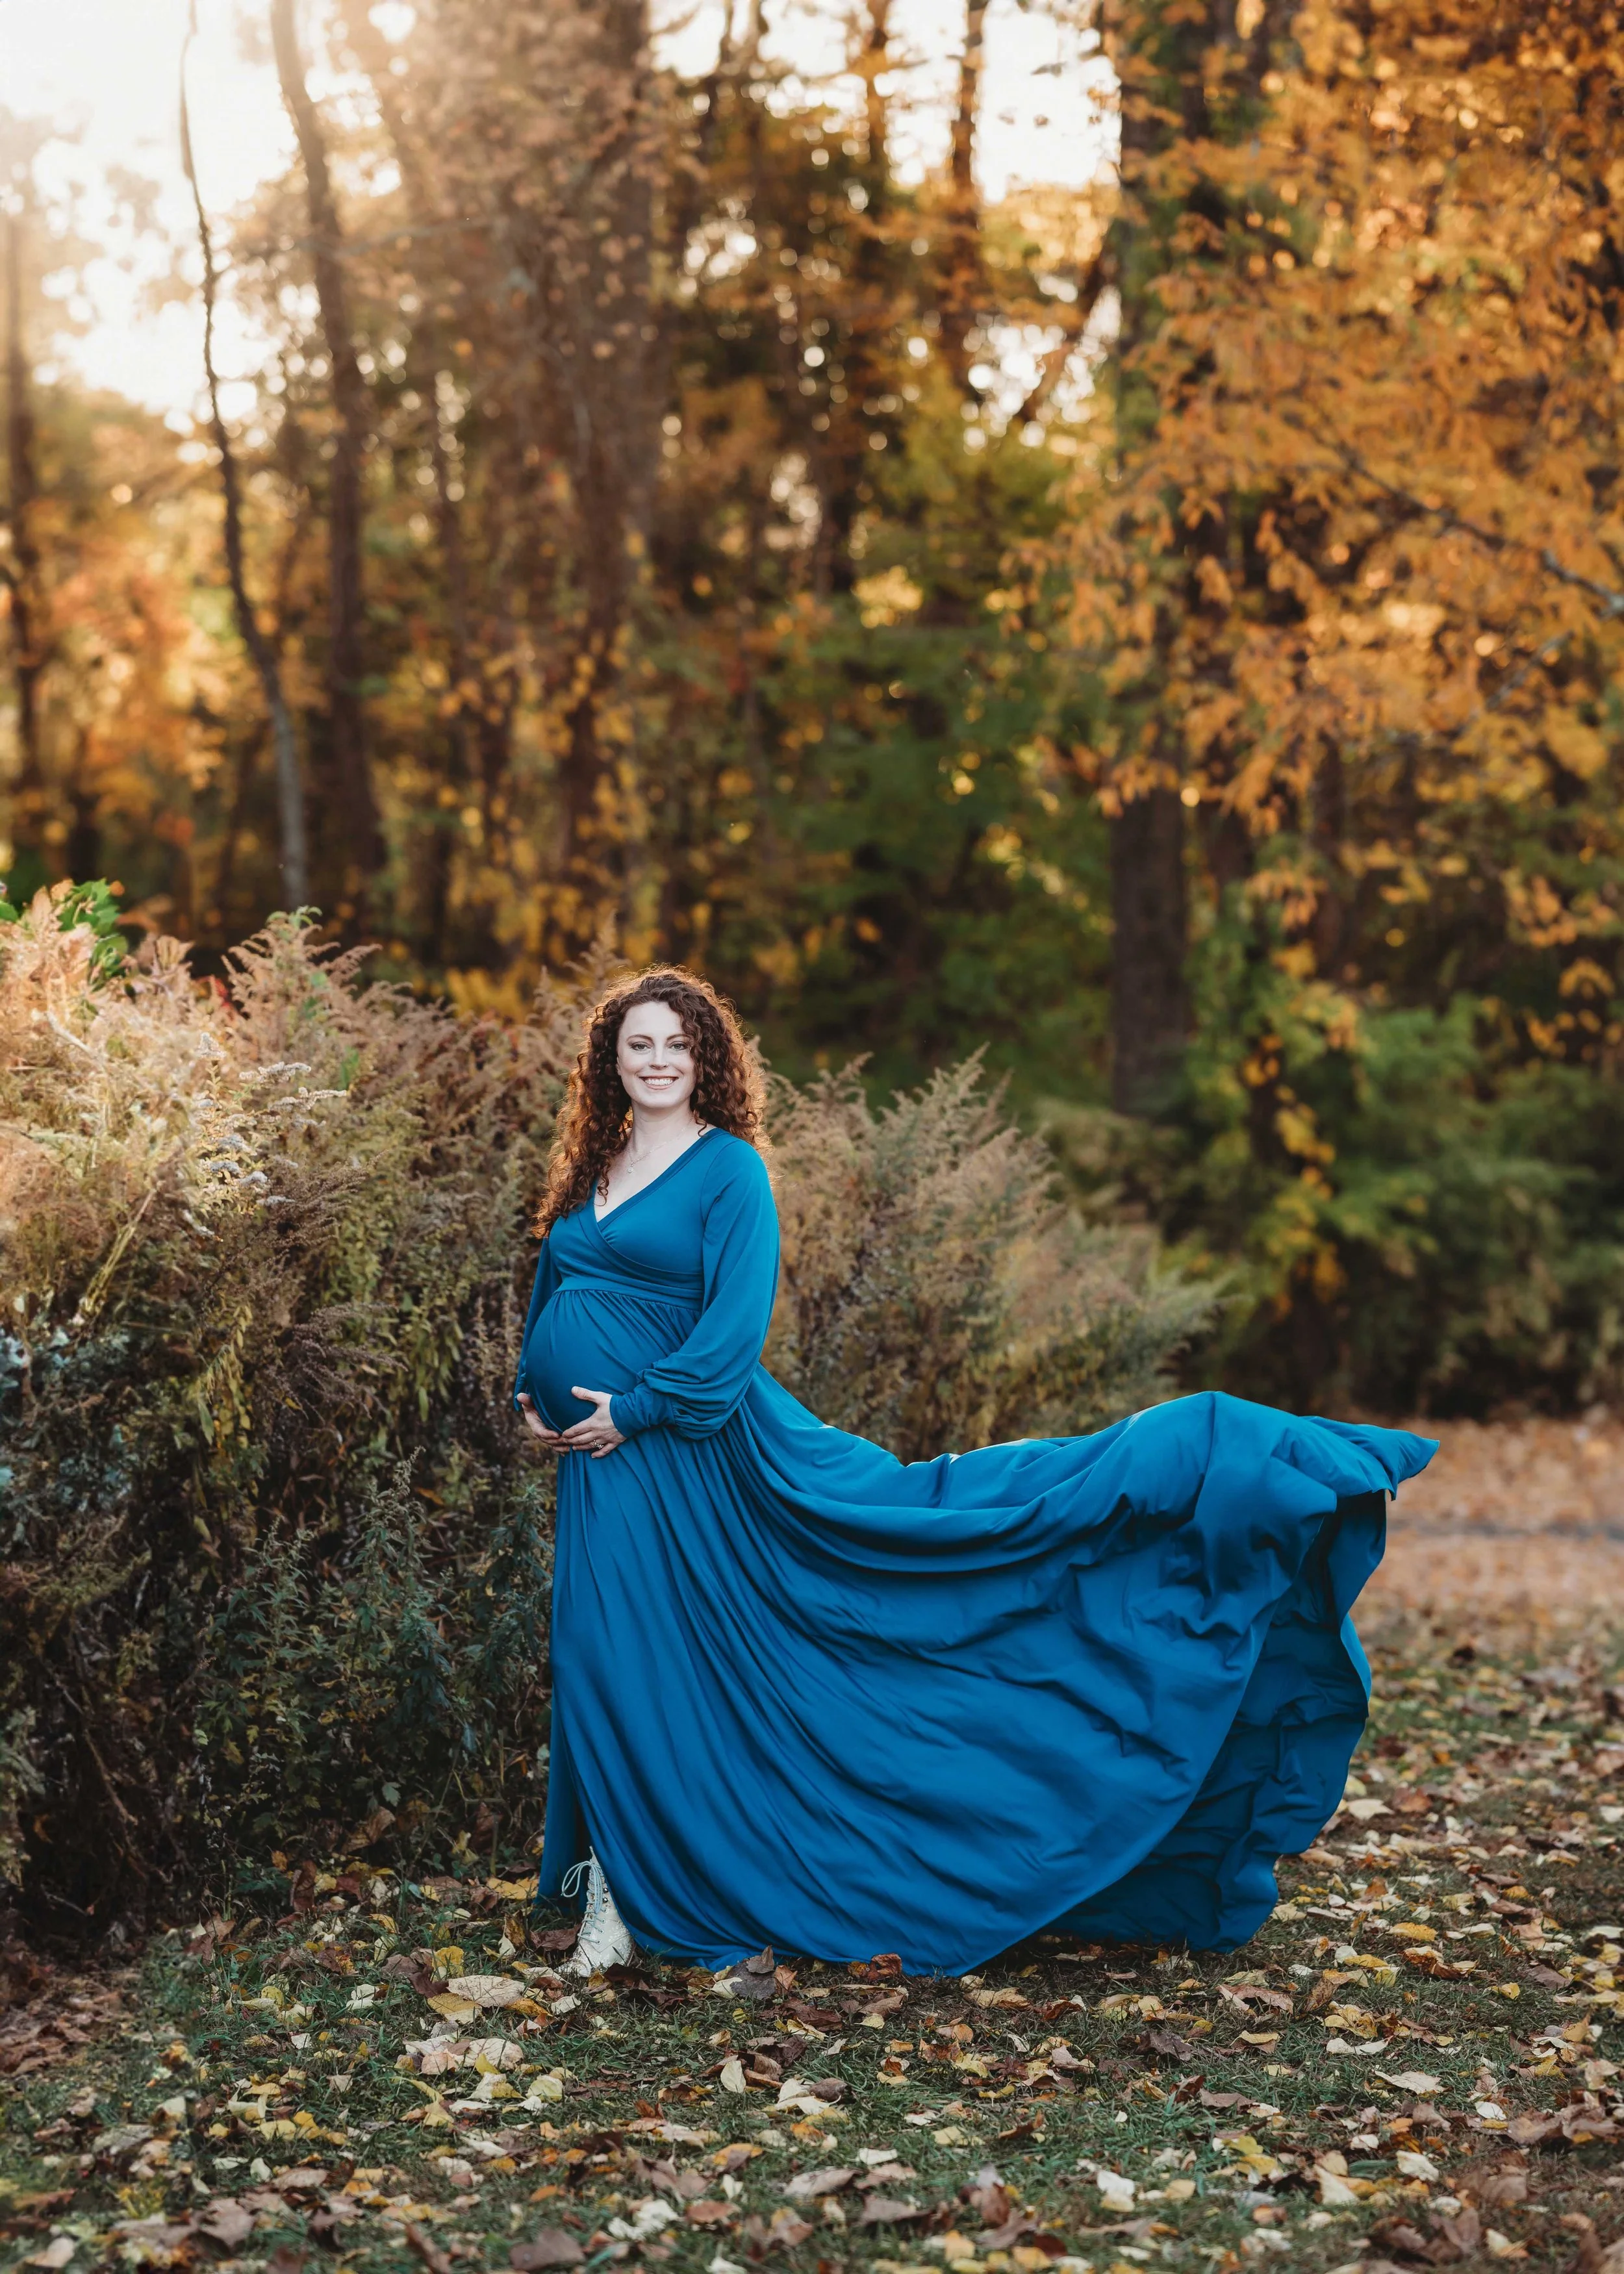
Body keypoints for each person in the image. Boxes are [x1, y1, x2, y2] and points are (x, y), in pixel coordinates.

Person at [514, 966, 1436, 1979]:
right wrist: (533, 1394)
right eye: (636, 1045)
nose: (655, 1061)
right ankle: (616, 1884)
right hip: (597, 1463)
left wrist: (635, 1410)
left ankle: (643, 1895)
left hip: (686, 1455)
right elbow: (562, 1280)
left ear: (706, 1061)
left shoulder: (728, 1171)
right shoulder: (594, 1165)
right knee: (603, 1658)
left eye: (674, 1045)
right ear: (609, 1060)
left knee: (665, 1659)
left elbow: (733, 1335)